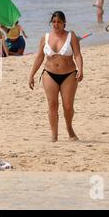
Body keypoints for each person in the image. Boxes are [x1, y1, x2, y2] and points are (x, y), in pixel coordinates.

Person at [28, 11, 83, 142]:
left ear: (64, 23)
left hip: (69, 74)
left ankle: (69, 128)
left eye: (59, 22)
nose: (56, 24)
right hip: (49, 74)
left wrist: (81, 69)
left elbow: (77, 55)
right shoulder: (45, 38)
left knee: (68, 106)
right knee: (52, 104)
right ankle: (54, 135)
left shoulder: (71, 36)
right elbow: (39, 57)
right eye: (54, 22)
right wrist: (31, 75)